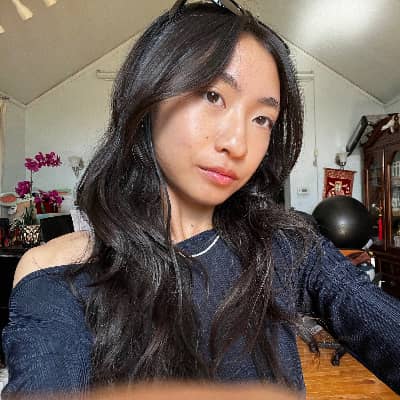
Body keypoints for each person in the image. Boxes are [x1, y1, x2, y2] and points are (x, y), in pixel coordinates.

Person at [2, 0, 400, 397]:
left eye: (262, 119)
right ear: (150, 92)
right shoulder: (60, 270)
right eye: (212, 95)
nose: (238, 143)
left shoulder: (287, 246)